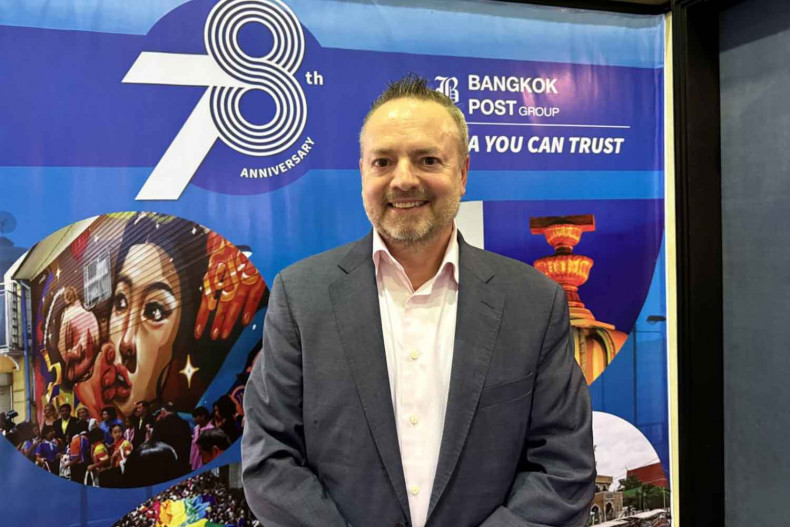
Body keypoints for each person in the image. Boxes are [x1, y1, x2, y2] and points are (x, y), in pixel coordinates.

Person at [241, 74, 595, 527]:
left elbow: (563, 469)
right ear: (363, 173)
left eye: (428, 159)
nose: (403, 180)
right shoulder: (299, 296)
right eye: (383, 162)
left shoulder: (534, 303)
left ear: (462, 173)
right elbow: (269, 458)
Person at [150, 401, 192, 476]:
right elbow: (188, 441)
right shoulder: (184, 423)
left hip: (166, 462)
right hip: (183, 461)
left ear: (163, 411)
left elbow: (154, 443)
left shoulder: (160, 424)